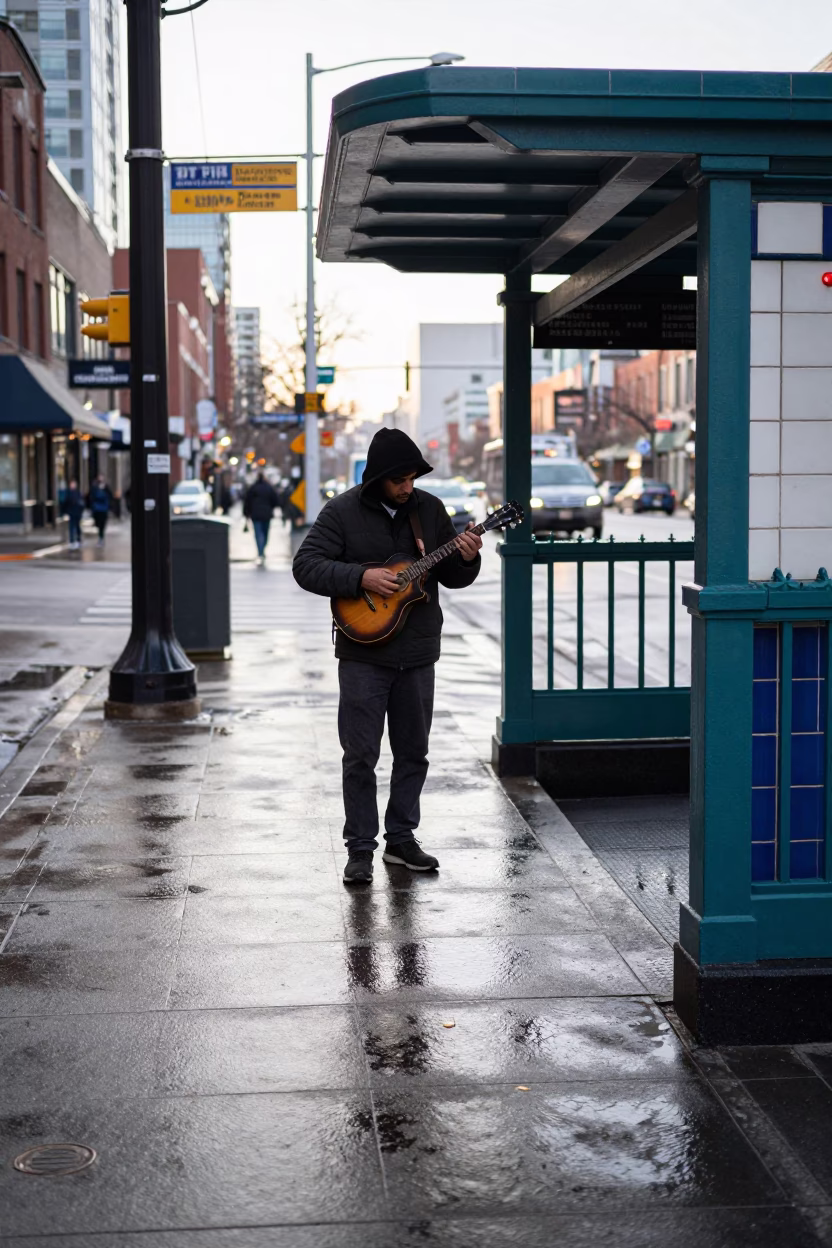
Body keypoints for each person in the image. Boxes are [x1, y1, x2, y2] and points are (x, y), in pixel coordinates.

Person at [292, 427, 482, 884]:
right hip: (362, 653)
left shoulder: (430, 509)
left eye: (413, 478)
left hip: (417, 652)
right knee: (360, 755)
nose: (407, 486)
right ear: (377, 477)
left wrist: (468, 557)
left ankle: (401, 840)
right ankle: (360, 848)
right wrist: (361, 578)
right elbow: (306, 565)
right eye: (399, 479)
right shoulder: (341, 512)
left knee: (413, 752)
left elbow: (453, 577)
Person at [243, 471, 281, 565]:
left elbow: (247, 501)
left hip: (255, 514)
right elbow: (275, 500)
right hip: (266, 514)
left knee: (258, 534)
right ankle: (262, 550)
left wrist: (246, 513)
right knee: (265, 533)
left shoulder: (253, 488)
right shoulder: (269, 488)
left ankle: (260, 552)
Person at [87, 475, 112, 546]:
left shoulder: (106, 487)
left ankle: (101, 538)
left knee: (102, 525)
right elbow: (91, 496)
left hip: (103, 509)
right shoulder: (94, 487)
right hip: (97, 509)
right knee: (99, 524)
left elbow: (110, 496)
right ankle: (100, 537)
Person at [61, 479, 84, 550]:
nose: (72, 485)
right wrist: (64, 511)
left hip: (77, 512)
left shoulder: (78, 493)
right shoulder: (68, 493)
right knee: (71, 527)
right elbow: (65, 503)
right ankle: (72, 541)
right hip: (71, 512)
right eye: (71, 484)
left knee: (77, 526)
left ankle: (78, 539)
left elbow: (82, 503)